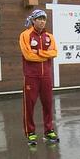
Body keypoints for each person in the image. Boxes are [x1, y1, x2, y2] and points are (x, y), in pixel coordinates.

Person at [19, 9, 59, 146]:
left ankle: (49, 131)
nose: (42, 21)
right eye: (39, 19)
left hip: (46, 75)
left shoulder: (50, 36)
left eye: (44, 19)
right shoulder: (25, 35)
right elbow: (28, 55)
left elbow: (54, 52)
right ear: (33, 20)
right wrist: (45, 54)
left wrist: (38, 52)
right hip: (31, 76)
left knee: (48, 104)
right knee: (29, 105)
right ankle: (30, 133)